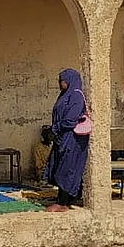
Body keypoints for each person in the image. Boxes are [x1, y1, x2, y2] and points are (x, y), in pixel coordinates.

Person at [43, 69, 90, 212]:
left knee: (67, 169)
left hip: (72, 139)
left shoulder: (76, 96)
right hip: (62, 137)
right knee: (60, 166)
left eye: (62, 80)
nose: (60, 83)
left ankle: (62, 203)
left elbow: (70, 119)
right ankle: (69, 198)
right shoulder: (64, 95)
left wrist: (55, 128)